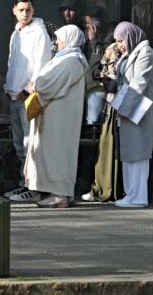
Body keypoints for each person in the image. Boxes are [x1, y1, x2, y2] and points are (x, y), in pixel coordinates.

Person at [24, 25, 88, 208]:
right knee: (57, 153)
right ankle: (62, 193)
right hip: (58, 116)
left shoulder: (70, 61)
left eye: (60, 39)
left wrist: (37, 82)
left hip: (60, 119)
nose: (57, 42)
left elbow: (47, 83)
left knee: (58, 153)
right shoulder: (71, 59)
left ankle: (59, 194)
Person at [3, 0, 52, 202]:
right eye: (21, 9)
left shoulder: (39, 33)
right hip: (14, 96)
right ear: (14, 10)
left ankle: (32, 188)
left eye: (28, 9)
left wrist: (28, 90)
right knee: (19, 145)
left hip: (26, 97)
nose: (25, 13)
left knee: (30, 144)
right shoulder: (16, 33)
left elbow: (42, 66)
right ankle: (24, 183)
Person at [112, 22, 153, 208]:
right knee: (130, 152)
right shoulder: (131, 53)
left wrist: (124, 108)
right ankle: (130, 194)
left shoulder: (145, 53)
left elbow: (138, 83)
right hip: (130, 108)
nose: (119, 45)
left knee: (139, 152)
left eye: (121, 40)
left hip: (138, 109)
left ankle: (138, 196)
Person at [82, 42, 123, 202]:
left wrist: (108, 81)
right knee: (105, 150)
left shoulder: (123, 63)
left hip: (117, 110)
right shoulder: (105, 62)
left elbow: (116, 84)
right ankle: (102, 187)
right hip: (109, 109)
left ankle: (110, 189)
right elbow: (94, 74)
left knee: (111, 151)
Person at [83, 5, 114, 125]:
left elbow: (105, 57)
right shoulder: (91, 38)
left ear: (97, 22)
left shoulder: (108, 37)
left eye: (88, 23)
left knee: (93, 124)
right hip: (88, 88)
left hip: (98, 88)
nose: (86, 26)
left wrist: (94, 40)